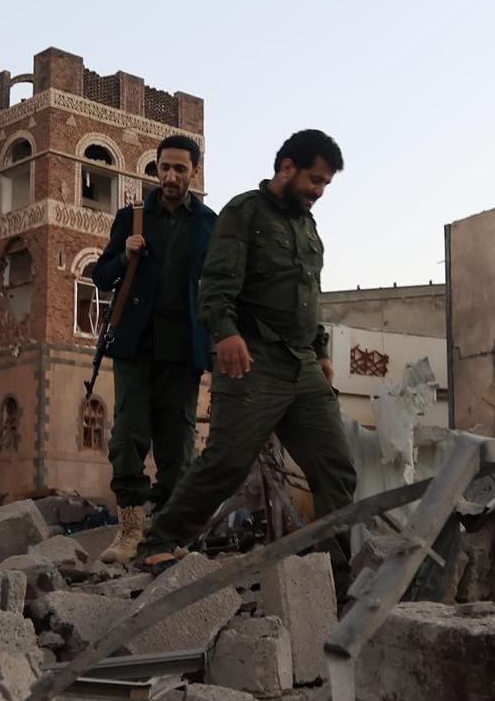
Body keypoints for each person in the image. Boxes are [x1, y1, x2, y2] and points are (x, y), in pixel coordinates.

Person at [136, 129, 356, 569]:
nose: (318, 191)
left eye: (325, 184)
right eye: (314, 180)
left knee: (336, 466)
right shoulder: (244, 213)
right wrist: (225, 334)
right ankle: (158, 542)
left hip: (303, 364)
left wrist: (322, 350)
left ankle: (335, 572)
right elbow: (215, 285)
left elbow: (309, 293)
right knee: (227, 462)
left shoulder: (306, 226)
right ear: (287, 168)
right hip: (253, 359)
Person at [91, 134, 218, 563]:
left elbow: (220, 288)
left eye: (180, 169)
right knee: (128, 436)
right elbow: (100, 276)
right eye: (164, 167)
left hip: (184, 349)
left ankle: (167, 532)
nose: (170, 176)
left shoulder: (209, 224)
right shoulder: (133, 218)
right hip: (136, 344)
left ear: (194, 173)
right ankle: (129, 529)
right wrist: (124, 256)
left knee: (178, 442)